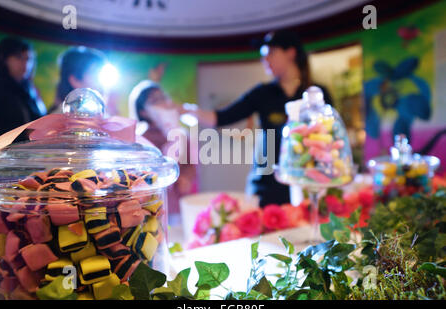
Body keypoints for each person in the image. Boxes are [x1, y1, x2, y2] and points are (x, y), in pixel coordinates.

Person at [181, 30, 333, 207]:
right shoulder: (262, 93)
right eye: (263, 56)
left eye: (270, 53)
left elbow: (329, 136)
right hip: (265, 185)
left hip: (306, 183)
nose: (265, 60)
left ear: (290, 53)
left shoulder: (316, 94)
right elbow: (221, 117)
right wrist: (185, 110)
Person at [128, 80, 199, 217]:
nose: (162, 103)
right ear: (142, 111)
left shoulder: (180, 134)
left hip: (178, 204)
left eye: (163, 98)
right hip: (149, 205)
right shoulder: (139, 139)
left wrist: (186, 177)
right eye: (154, 101)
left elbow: (191, 165)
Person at [0, 37, 46, 138]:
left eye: (28, 59)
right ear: (4, 59)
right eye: (19, 57)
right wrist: (25, 134)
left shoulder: (30, 91)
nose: (25, 64)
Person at [49, 46, 106, 113]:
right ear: (74, 80)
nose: (101, 82)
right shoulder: (63, 118)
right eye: (94, 73)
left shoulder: (95, 113)